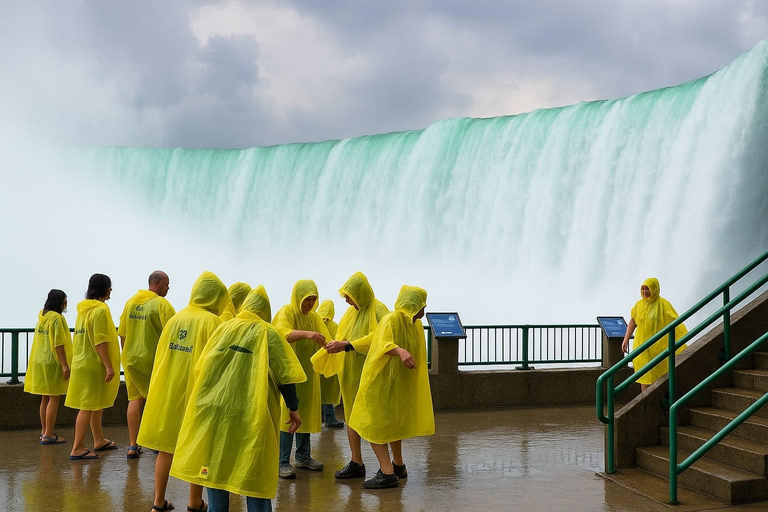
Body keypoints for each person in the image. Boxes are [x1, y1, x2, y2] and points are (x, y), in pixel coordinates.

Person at [170, 286, 306, 512]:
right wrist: (294, 408)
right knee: (254, 468)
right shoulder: (267, 332)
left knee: (216, 465)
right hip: (250, 410)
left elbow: (201, 368)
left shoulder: (223, 328)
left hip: (214, 409)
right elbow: (286, 374)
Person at [138, 271, 229, 512]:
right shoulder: (213, 323)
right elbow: (217, 365)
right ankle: (194, 502)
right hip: (198, 396)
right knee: (198, 449)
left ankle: (158, 501)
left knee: (166, 448)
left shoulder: (175, 319)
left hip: (168, 393)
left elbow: (161, 357)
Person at [348, 285, 434, 489]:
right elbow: (381, 343)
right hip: (379, 382)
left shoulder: (414, 324)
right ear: (412, 304)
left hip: (393, 384)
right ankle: (394, 468)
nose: (424, 309)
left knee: (384, 425)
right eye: (422, 305)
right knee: (373, 424)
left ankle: (391, 470)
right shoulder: (392, 319)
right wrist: (400, 351)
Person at [322, 272, 389, 480]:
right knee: (351, 417)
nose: (348, 301)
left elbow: (381, 338)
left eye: (350, 296)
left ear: (360, 293)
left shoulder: (378, 310)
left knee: (371, 419)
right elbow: (342, 336)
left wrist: (349, 345)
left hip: (370, 374)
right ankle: (356, 462)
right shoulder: (352, 313)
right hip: (350, 374)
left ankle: (387, 469)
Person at [273, 280, 332, 479]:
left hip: (308, 373)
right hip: (289, 372)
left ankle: (303, 456)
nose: (310, 303)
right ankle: (283, 461)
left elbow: (325, 339)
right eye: (307, 299)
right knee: (288, 414)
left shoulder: (314, 317)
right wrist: (308, 334)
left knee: (304, 412)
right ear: (298, 297)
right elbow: (282, 333)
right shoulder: (287, 312)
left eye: (313, 299)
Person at [118, 271, 176, 460]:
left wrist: (126, 355)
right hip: (154, 360)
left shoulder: (131, 302)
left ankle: (133, 445)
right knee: (157, 400)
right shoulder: (162, 305)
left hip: (131, 359)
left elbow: (123, 333)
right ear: (157, 283)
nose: (168, 288)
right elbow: (173, 332)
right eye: (167, 284)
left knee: (134, 400)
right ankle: (157, 443)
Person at [65, 274, 121, 461]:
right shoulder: (101, 310)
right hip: (93, 364)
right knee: (87, 406)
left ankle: (98, 440)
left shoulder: (84, 310)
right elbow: (100, 340)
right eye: (109, 286)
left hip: (81, 361)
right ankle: (78, 447)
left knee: (95, 404)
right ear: (103, 288)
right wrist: (109, 366)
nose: (111, 290)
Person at [24, 289, 73, 445]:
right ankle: (49, 434)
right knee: (54, 397)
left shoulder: (42, 317)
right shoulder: (57, 319)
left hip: (39, 360)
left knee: (45, 397)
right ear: (59, 302)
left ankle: (45, 431)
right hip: (53, 361)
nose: (66, 304)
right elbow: (58, 343)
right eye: (64, 301)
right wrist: (65, 364)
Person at [621, 277, 687, 391]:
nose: (645, 292)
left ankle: (659, 399)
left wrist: (679, 339)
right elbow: (633, 321)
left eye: (648, 289)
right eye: (643, 289)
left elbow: (675, 322)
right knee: (644, 375)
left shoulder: (663, 304)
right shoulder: (639, 304)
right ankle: (645, 402)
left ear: (655, 289)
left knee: (658, 372)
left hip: (657, 347)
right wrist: (626, 339)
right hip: (642, 346)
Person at [317, 299, 343, 429]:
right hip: (329, 363)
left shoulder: (314, 322)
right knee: (327, 392)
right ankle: (329, 418)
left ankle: (318, 418)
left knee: (317, 391)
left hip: (316, 362)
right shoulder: (335, 326)